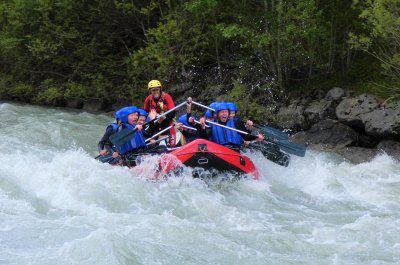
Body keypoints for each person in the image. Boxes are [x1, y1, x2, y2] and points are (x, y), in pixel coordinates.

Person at [197, 102, 264, 152]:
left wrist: (256, 137)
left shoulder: (236, 122)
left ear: (228, 114)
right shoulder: (212, 124)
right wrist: (203, 126)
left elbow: (246, 136)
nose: (224, 113)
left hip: (234, 150)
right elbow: (204, 139)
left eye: (226, 112)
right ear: (218, 114)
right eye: (222, 112)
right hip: (219, 151)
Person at [143, 80, 177, 147]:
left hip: (167, 122)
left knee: (171, 143)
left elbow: (173, 112)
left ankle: (171, 146)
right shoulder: (148, 99)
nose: (155, 92)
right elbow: (145, 112)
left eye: (157, 90)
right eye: (153, 90)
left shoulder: (166, 97)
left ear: (160, 89)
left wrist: (164, 115)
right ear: (150, 91)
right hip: (155, 124)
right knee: (152, 141)